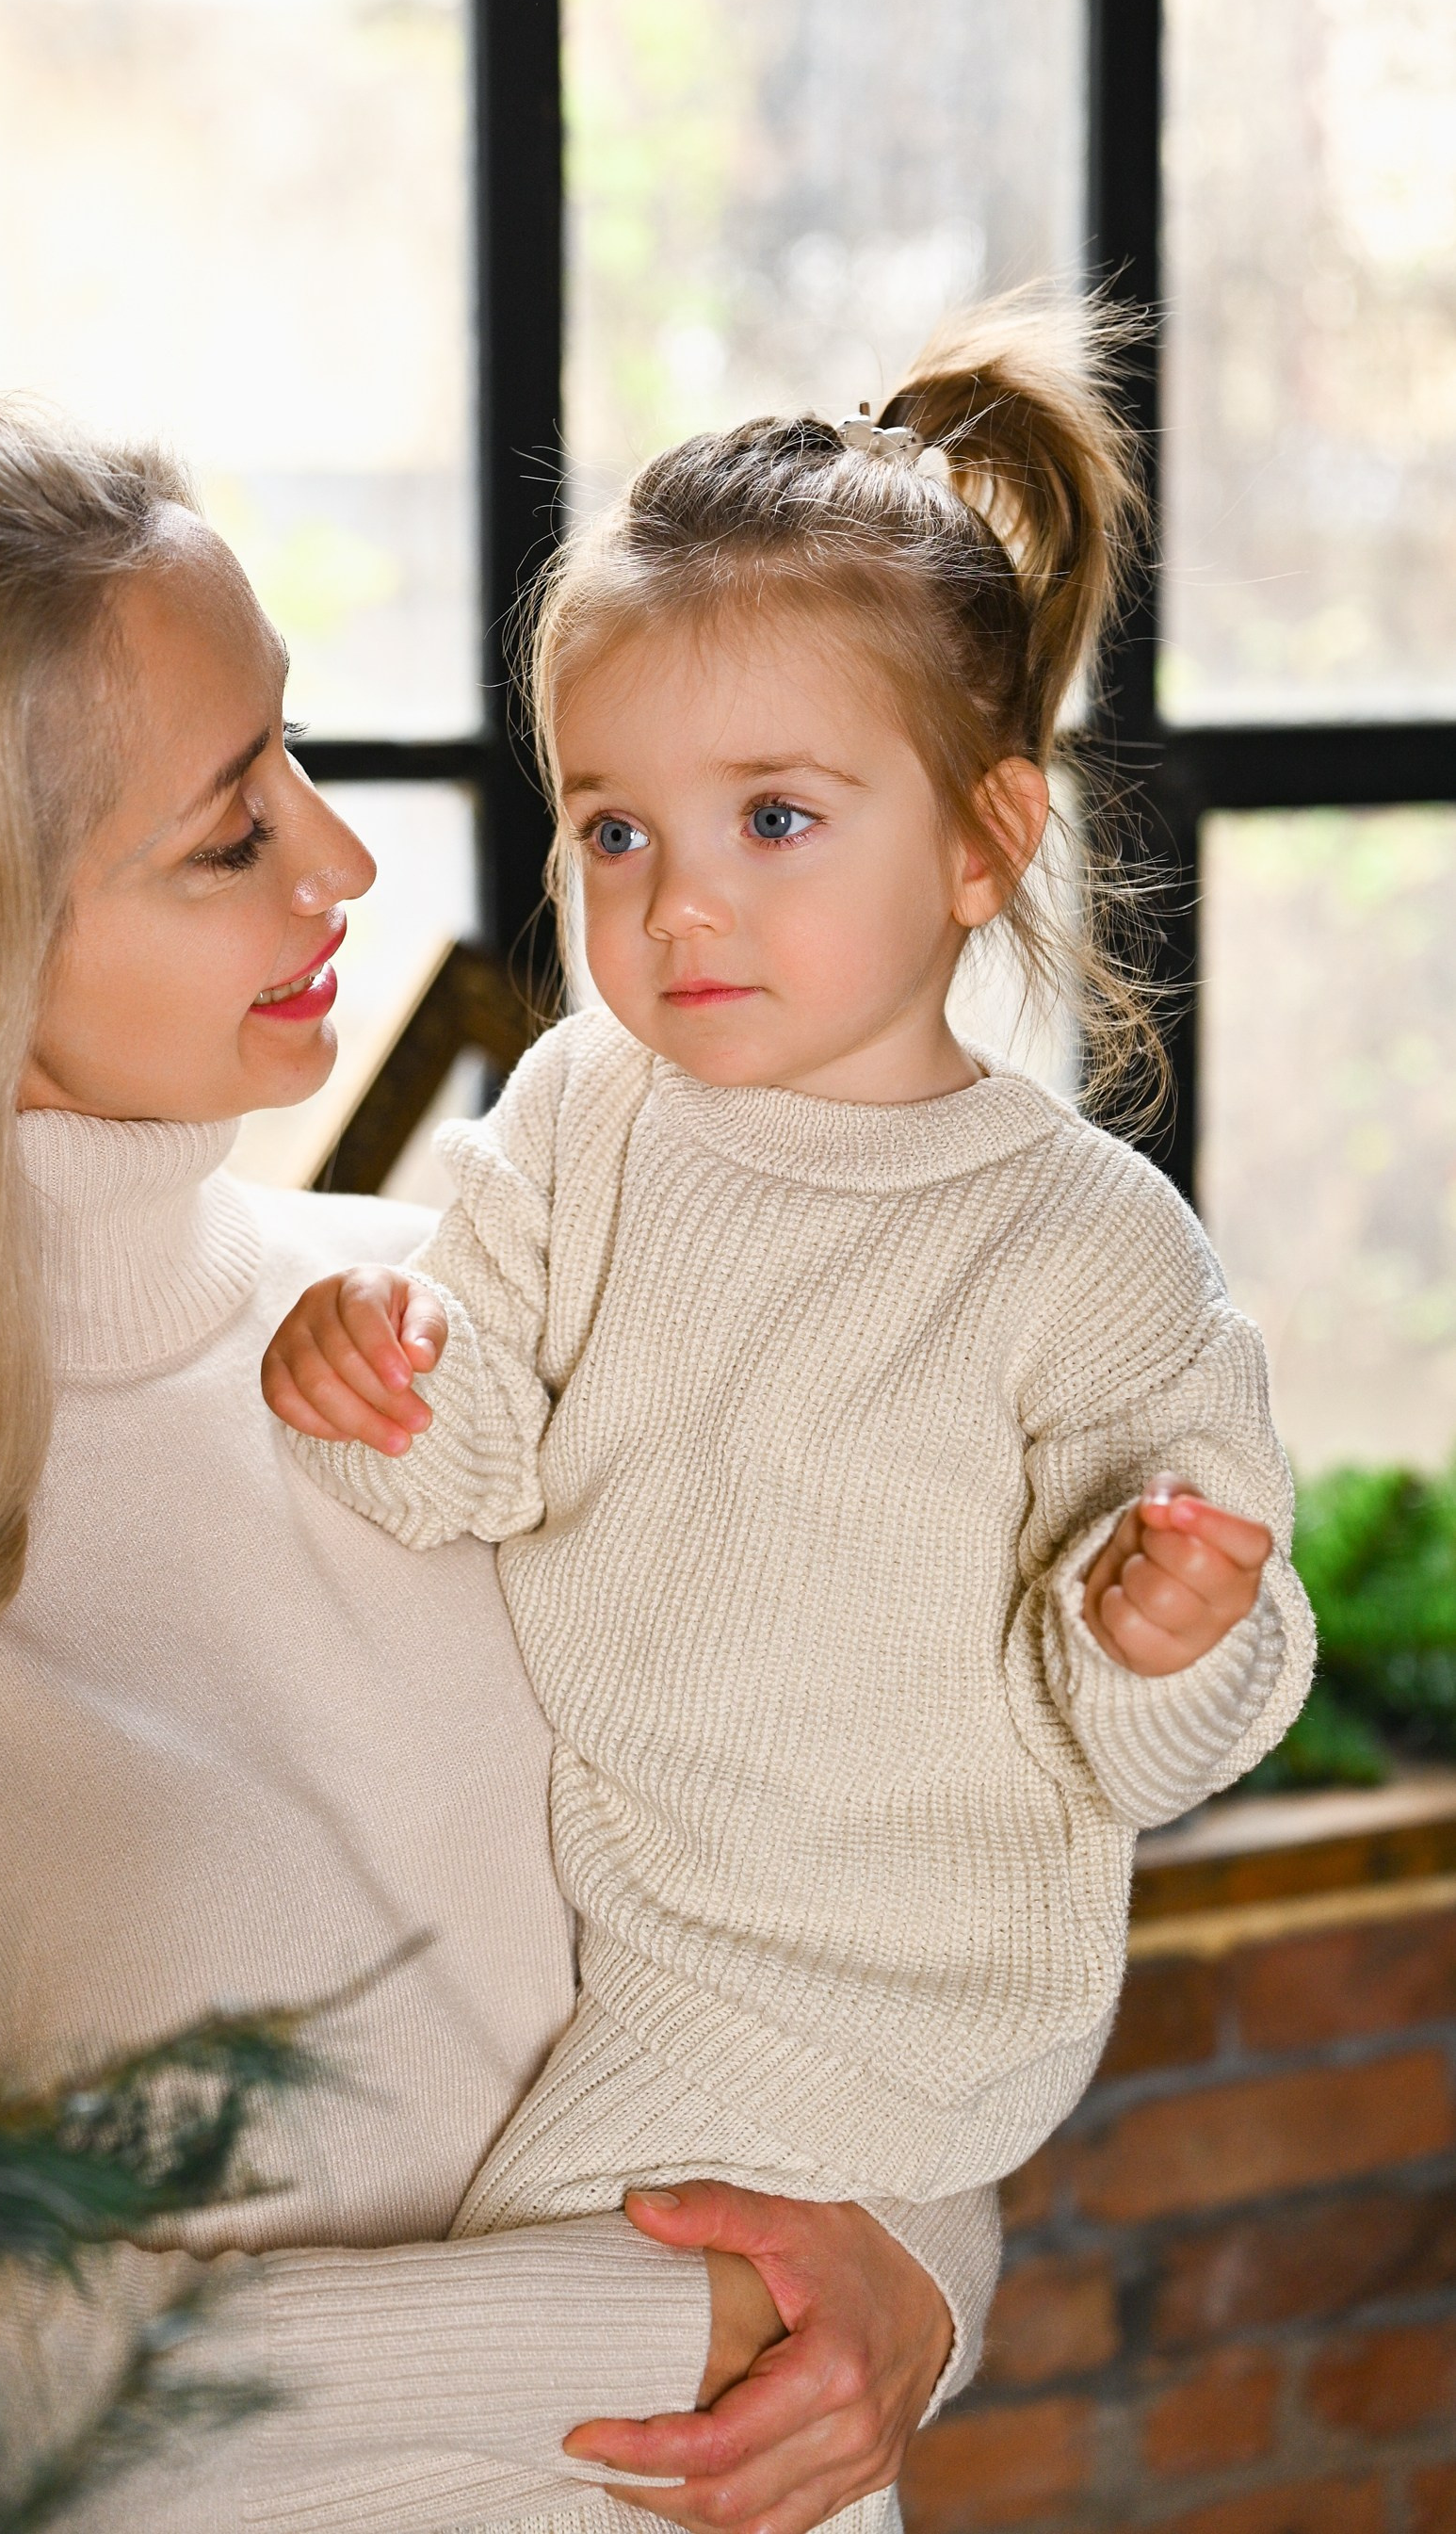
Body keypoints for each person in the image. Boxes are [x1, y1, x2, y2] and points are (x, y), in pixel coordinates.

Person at [0, 401, 1002, 2534]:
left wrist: (915, 2287)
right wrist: (616, 2339)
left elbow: (874, 1913)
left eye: (296, 761)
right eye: (229, 833)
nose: (342, 862)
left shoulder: (489, 1325)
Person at [263, 303, 1318, 2531]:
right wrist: (371, 1381)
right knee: (704, 2456)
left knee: (601, 2428)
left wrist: (1171, 1628)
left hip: (881, 1984)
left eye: (771, 817)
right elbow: (484, 1459)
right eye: (616, 828)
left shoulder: (1087, 1244)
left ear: (979, 840)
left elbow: (1178, 1724)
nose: (680, 900)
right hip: (636, 1919)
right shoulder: (587, 1110)